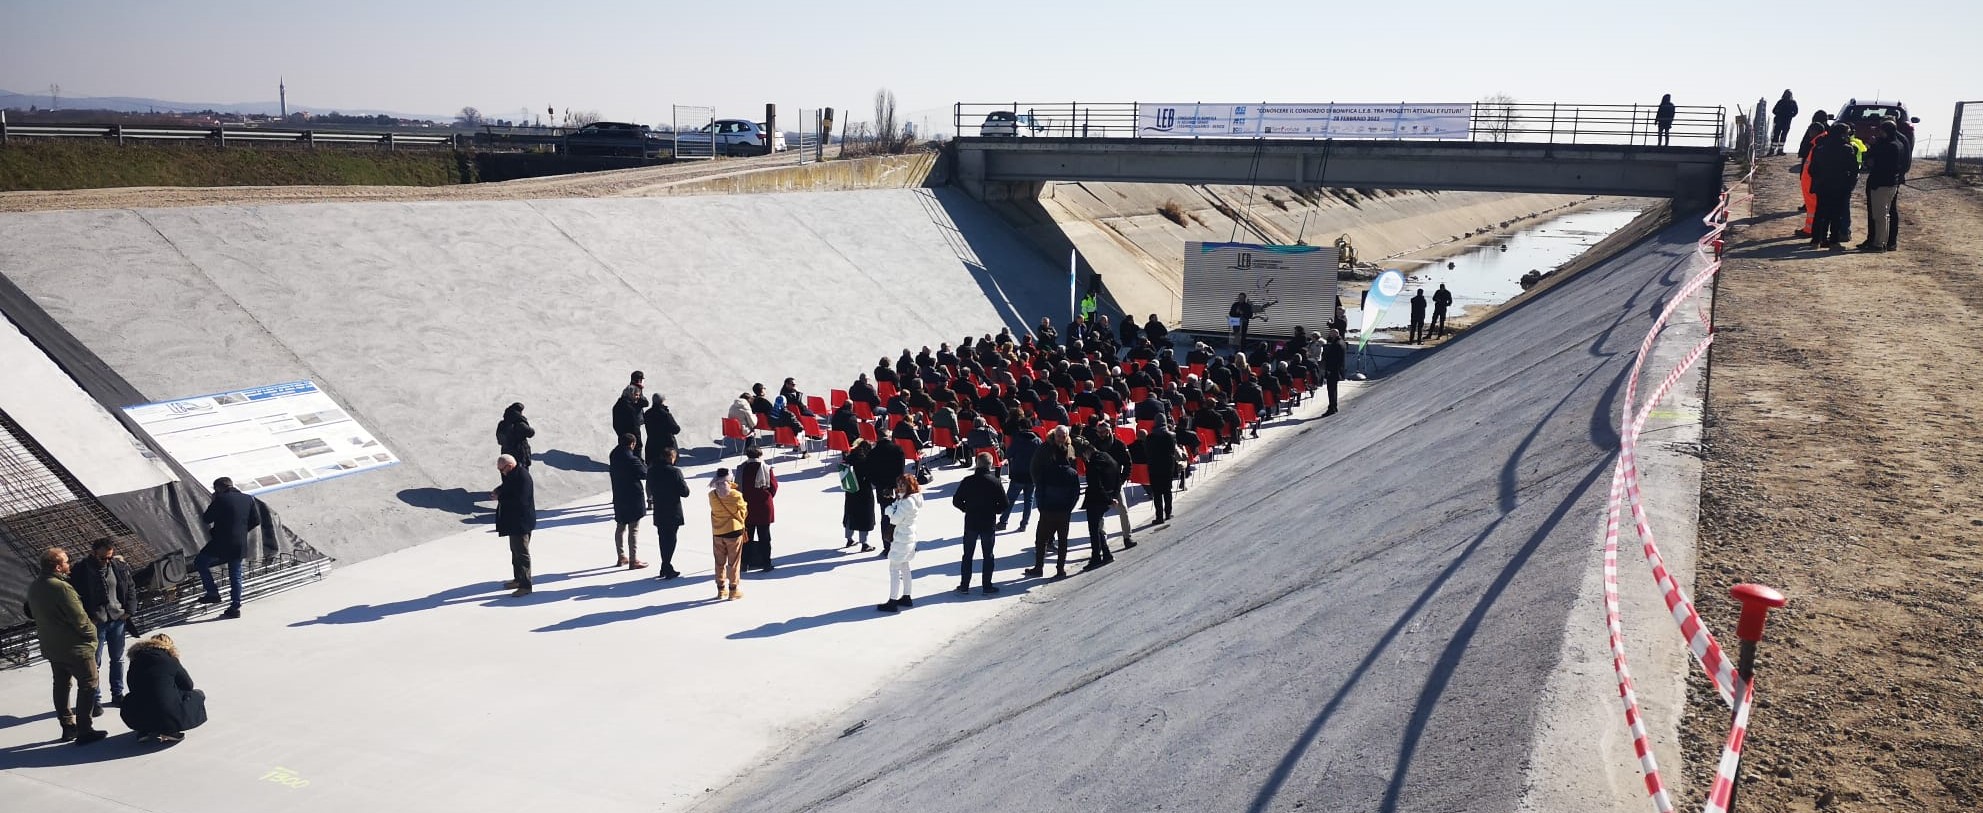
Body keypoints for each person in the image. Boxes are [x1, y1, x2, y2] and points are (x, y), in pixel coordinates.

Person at [26, 548, 108, 744]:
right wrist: (92, 636)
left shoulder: (35, 586)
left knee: (61, 685)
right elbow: (79, 619)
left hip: (53, 647)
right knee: (88, 684)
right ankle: (85, 729)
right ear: (57, 566)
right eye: (66, 562)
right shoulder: (62, 588)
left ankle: (67, 727)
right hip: (75, 647)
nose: (68, 565)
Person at [70, 537, 134, 710]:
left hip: (117, 620)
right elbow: (74, 596)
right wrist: (88, 617)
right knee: (94, 663)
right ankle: (95, 699)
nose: (106, 561)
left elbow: (130, 587)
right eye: (103, 557)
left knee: (118, 659)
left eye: (109, 557)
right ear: (93, 553)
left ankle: (117, 694)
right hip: (96, 622)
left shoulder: (117, 566)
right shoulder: (81, 570)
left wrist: (128, 610)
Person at [120, 633, 206, 743]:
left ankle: (144, 730)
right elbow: (188, 685)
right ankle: (170, 730)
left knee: (142, 697)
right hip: (166, 713)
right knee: (198, 694)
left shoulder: (135, 661)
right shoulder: (170, 660)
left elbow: (131, 686)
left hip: (136, 715)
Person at [196, 476, 258, 619]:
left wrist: (213, 501)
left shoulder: (220, 499)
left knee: (201, 562)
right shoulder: (248, 499)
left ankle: (212, 593)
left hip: (221, 541)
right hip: (240, 543)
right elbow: (256, 520)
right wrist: (241, 531)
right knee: (235, 575)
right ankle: (235, 607)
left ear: (218, 488)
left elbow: (207, 519)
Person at [1024, 427, 1081, 580]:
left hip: (1050, 508)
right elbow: (1076, 491)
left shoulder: (1048, 470)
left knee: (1041, 539)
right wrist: (1069, 506)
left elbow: (1041, 489)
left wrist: (1041, 505)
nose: (1061, 438)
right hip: (1060, 510)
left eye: (1063, 436)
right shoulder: (1045, 450)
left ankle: (1040, 567)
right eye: (1059, 435)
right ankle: (1059, 569)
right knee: (1062, 540)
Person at [952, 452, 1010, 594]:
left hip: (971, 521)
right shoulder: (995, 482)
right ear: (990, 465)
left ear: (977, 463)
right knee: (988, 554)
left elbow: (956, 500)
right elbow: (1004, 504)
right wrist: (995, 511)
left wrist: (966, 509)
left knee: (967, 555)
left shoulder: (967, 480)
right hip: (988, 522)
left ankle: (964, 585)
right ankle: (987, 585)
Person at [877, 474, 924, 612]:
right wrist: (894, 501)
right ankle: (906, 597)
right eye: (898, 484)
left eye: (903, 484)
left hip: (903, 539)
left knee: (894, 569)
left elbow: (896, 518)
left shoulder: (907, 501)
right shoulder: (910, 498)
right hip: (907, 537)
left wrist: (888, 508)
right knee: (904, 567)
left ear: (910, 485)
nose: (899, 487)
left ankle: (892, 601)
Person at [1809, 122, 1859, 250]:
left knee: (1820, 213)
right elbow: (1853, 169)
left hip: (1822, 185)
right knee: (1836, 214)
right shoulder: (1847, 149)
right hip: (1839, 185)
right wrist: (1850, 183)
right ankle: (1834, 241)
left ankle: (1816, 240)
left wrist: (1819, 178)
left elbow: (1812, 169)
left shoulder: (1820, 147)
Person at [494, 454, 536, 596]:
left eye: (502, 470)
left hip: (521, 522)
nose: (501, 473)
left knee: (522, 554)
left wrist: (500, 497)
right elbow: (507, 487)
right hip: (514, 522)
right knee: (515, 551)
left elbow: (520, 501)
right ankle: (518, 579)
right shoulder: (512, 475)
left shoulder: (523, 478)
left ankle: (525, 585)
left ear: (509, 466)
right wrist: (499, 490)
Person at [1860, 119, 1904, 252]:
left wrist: (1872, 149)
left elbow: (1876, 163)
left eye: (1881, 131)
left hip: (1881, 184)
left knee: (1880, 217)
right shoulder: (1899, 144)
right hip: (1892, 184)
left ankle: (1879, 244)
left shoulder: (1889, 146)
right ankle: (1882, 242)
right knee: (1885, 215)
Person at [647, 447, 689, 580]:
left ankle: (665, 566)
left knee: (662, 538)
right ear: (672, 457)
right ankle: (666, 565)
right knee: (671, 539)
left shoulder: (652, 470)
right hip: (672, 510)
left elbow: (650, 487)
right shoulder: (675, 472)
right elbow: (685, 492)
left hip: (659, 509)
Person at [609, 432, 649, 569]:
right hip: (633, 497)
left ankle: (621, 556)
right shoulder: (632, 459)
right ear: (632, 444)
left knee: (620, 526)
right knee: (633, 529)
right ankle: (633, 560)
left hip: (619, 495)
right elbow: (644, 474)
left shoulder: (614, 454)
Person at [1081, 441, 1123, 572]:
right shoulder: (1108, 458)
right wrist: (1113, 497)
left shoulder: (1093, 464)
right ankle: (1106, 553)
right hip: (1108, 497)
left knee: (1094, 529)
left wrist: (1109, 499)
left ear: (1087, 453)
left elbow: (1096, 485)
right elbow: (1118, 476)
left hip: (1096, 500)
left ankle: (1096, 557)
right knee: (1098, 527)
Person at [737, 447, 779, 572]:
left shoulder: (741, 469)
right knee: (764, 537)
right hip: (763, 507)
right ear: (760, 455)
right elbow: (774, 487)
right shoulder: (766, 468)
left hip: (746, 506)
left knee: (747, 537)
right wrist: (767, 497)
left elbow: (737, 486)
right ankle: (766, 563)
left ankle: (744, 563)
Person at [709, 469, 749, 600]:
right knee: (734, 562)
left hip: (717, 532)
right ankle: (733, 589)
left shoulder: (712, 495)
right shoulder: (736, 495)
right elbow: (744, 511)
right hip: (733, 530)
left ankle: (721, 590)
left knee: (719, 562)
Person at [1795, 111, 1831, 237]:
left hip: (1813, 182)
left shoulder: (1818, 145)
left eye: (1811, 132)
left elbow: (1815, 165)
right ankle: (1813, 229)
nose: (1809, 134)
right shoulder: (1818, 142)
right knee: (1813, 208)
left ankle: (1810, 230)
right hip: (1812, 181)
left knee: (1813, 208)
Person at [1001, 418, 1041, 531]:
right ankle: (1024, 524)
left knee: (1010, 499)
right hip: (1031, 476)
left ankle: (1003, 521)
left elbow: (1008, 454)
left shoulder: (1017, 440)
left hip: (1018, 474)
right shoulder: (1038, 441)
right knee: (1028, 501)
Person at [841, 440, 878, 552]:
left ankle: (849, 539)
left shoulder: (849, 458)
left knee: (850, 514)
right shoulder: (865, 461)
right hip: (864, 492)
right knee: (864, 517)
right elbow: (871, 476)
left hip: (850, 490)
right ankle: (864, 543)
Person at [1143, 418, 1180, 524]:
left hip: (1154, 467)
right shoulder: (1171, 436)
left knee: (1157, 493)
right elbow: (1172, 451)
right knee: (1167, 490)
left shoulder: (1149, 437)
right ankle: (1168, 513)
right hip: (1167, 466)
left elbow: (1147, 451)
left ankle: (1159, 516)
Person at [642, 393, 681, 466]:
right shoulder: (665, 414)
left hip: (652, 445)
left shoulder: (647, 413)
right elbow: (676, 429)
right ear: (662, 401)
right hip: (666, 445)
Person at [496, 402, 533, 468]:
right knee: (522, 476)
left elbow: (500, 441)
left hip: (507, 457)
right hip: (520, 456)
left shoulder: (502, 424)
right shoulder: (520, 424)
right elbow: (531, 433)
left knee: (508, 476)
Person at [612, 386, 645, 458]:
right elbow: (635, 426)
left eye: (639, 395)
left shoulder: (618, 405)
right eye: (636, 395)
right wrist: (638, 442)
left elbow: (615, 424)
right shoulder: (630, 409)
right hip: (631, 438)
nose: (638, 397)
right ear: (630, 394)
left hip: (622, 436)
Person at [1321, 330, 1345, 416]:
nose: (1330, 335)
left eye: (1331, 334)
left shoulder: (1336, 344)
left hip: (1333, 370)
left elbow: (1333, 359)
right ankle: (1334, 406)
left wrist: (1329, 370)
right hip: (1337, 370)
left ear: (1335, 334)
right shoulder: (1342, 342)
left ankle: (1332, 407)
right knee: (1333, 389)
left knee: (1331, 390)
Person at [1769, 90, 1799, 155]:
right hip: (1784, 121)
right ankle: (1777, 150)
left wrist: (1780, 114)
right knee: (1780, 135)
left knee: (1778, 135)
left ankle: (1774, 150)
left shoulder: (1783, 102)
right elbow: (1774, 110)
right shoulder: (1788, 102)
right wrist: (1790, 115)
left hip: (1782, 121)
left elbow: (1774, 111)